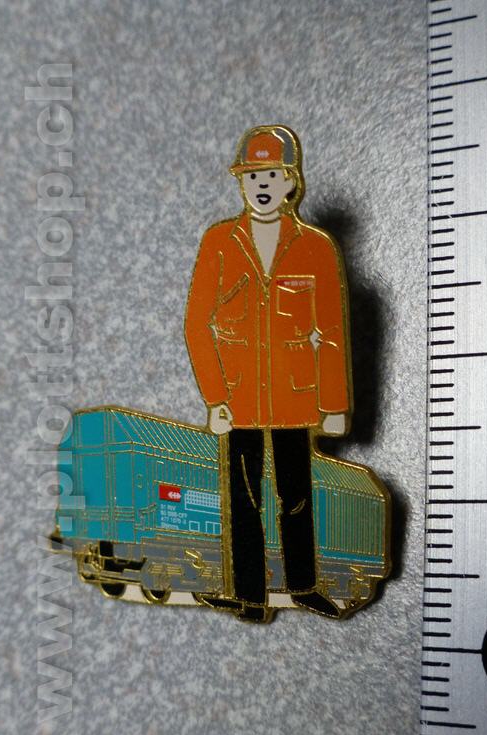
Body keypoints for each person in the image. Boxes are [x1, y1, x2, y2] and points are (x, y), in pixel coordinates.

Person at [185, 125, 352, 622]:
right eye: (252, 175)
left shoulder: (315, 246)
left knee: (297, 497)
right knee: (243, 499)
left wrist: (334, 405)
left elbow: (332, 329)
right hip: (238, 400)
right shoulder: (219, 241)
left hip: (294, 397)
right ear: (241, 182)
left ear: (291, 182)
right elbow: (197, 325)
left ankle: (303, 587)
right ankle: (250, 598)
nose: (262, 184)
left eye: (272, 175)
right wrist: (215, 397)